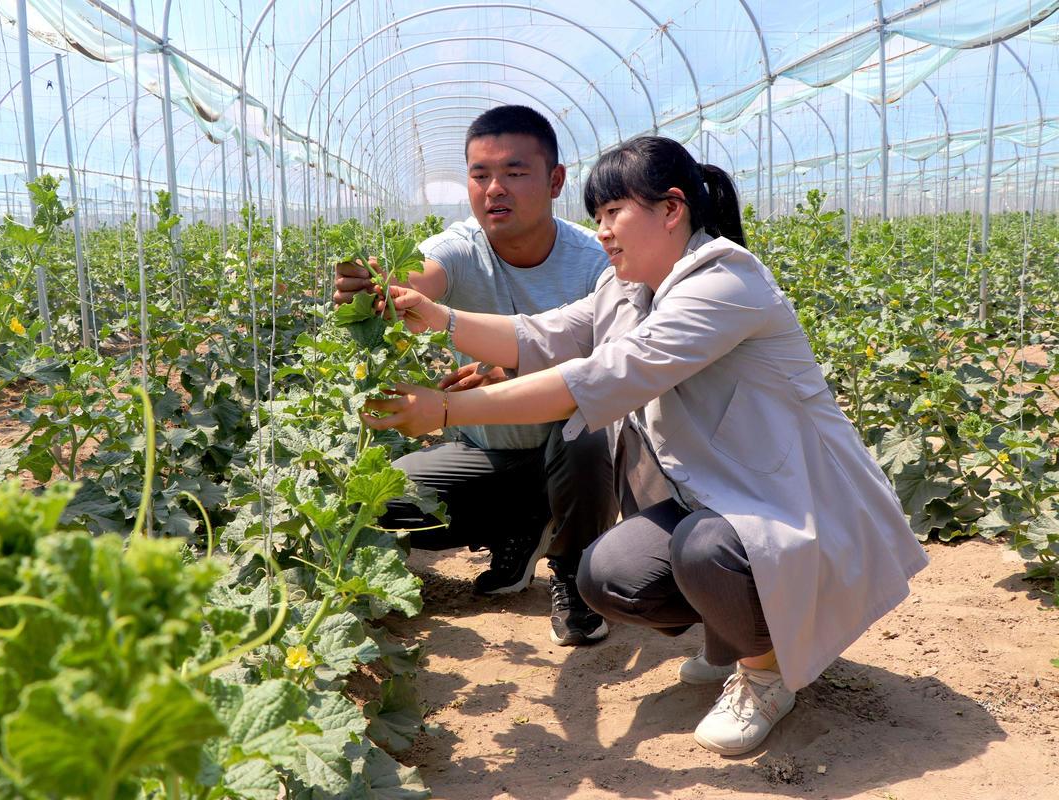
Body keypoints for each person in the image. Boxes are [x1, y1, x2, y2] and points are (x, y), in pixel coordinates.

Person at [360, 135, 929, 755]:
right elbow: (546, 335)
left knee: (705, 548)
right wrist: (437, 316)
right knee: (609, 577)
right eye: (597, 216)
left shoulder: (725, 281)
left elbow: (598, 379)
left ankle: (766, 675)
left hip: (794, 500)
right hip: (718, 491)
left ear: (671, 208)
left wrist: (444, 409)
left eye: (613, 213)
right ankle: (740, 637)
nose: (602, 230)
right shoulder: (628, 284)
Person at [334, 105, 619, 646]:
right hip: (488, 451)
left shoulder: (594, 263)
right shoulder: (461, 246)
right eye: (480, 174)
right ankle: (519, 524)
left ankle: (576, 572)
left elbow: (608, 376)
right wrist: (378, 287)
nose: (495, 189)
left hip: (571, 448)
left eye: (514, 173)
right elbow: (422, 277)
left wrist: (506, 370)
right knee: (371, 503)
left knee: (589, 428)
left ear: (555, 180)